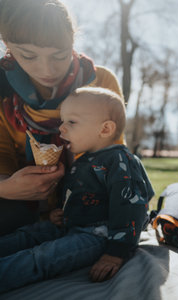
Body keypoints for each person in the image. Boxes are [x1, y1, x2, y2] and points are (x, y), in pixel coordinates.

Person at [0, 87, 154, 292]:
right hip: (71, 226)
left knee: (44, 256)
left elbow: (131, 207)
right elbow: (82, 197)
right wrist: (62, 214)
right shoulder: (84, 159)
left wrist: (116, 252)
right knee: (29, 234)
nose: (61, 128)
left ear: (105, 129)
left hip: (99, 235)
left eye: (71, 122)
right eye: (62, 121)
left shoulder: (120, 161)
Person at [0, 0, 124, 236]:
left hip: (88, 209)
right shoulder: (2, 93)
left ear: (73, 41)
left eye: (59, 55)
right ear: (7, 44)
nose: (46, 70)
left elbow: (115, 155)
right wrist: (7, 188)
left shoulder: (101, 84)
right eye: (28, 55)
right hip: (19, 208)